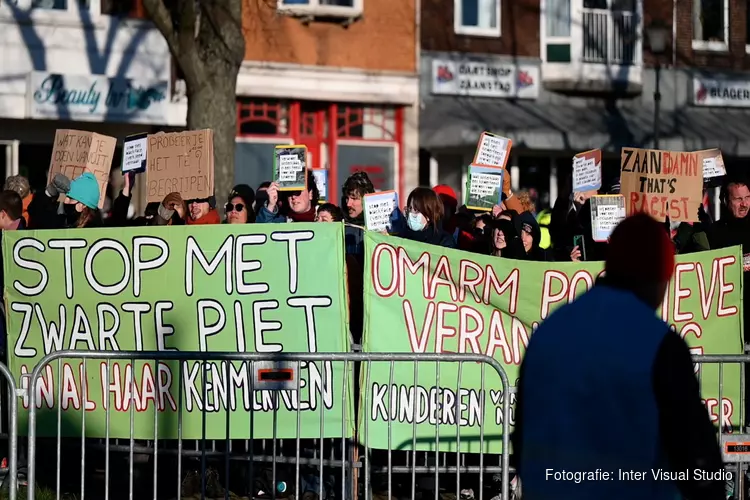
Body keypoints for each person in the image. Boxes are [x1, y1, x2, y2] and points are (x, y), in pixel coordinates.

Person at [513, 213, 724, 500]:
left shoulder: (549, 330)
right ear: (659, 275)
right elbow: (696, 457)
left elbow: (523, 429)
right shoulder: (660, 343)